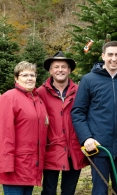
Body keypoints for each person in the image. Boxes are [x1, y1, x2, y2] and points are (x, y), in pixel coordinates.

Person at [71, 41, 117, 195]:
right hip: (99, 147)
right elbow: (78, 112)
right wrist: (86, 138)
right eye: (110, 55)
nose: (114, 58)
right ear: (103, 56)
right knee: (100, 191)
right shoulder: (89, 80)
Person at [37, 51, 89, 195]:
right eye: (56, 67)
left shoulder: (80, 91)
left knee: (69, 190)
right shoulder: (40, 92)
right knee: (48, 190)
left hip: (74, 149)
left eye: (64, 66)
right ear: (50, 70)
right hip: (51, 149)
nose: (60, 70)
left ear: (69, 70)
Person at [0, 61, 49, 195]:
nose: (29, 78)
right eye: (25, 75)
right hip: (15, 166)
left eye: (32, 75)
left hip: (31, 165)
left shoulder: (37, 100)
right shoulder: (9, 97)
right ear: (16, 78)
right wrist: (6, 165)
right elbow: (5, 133)